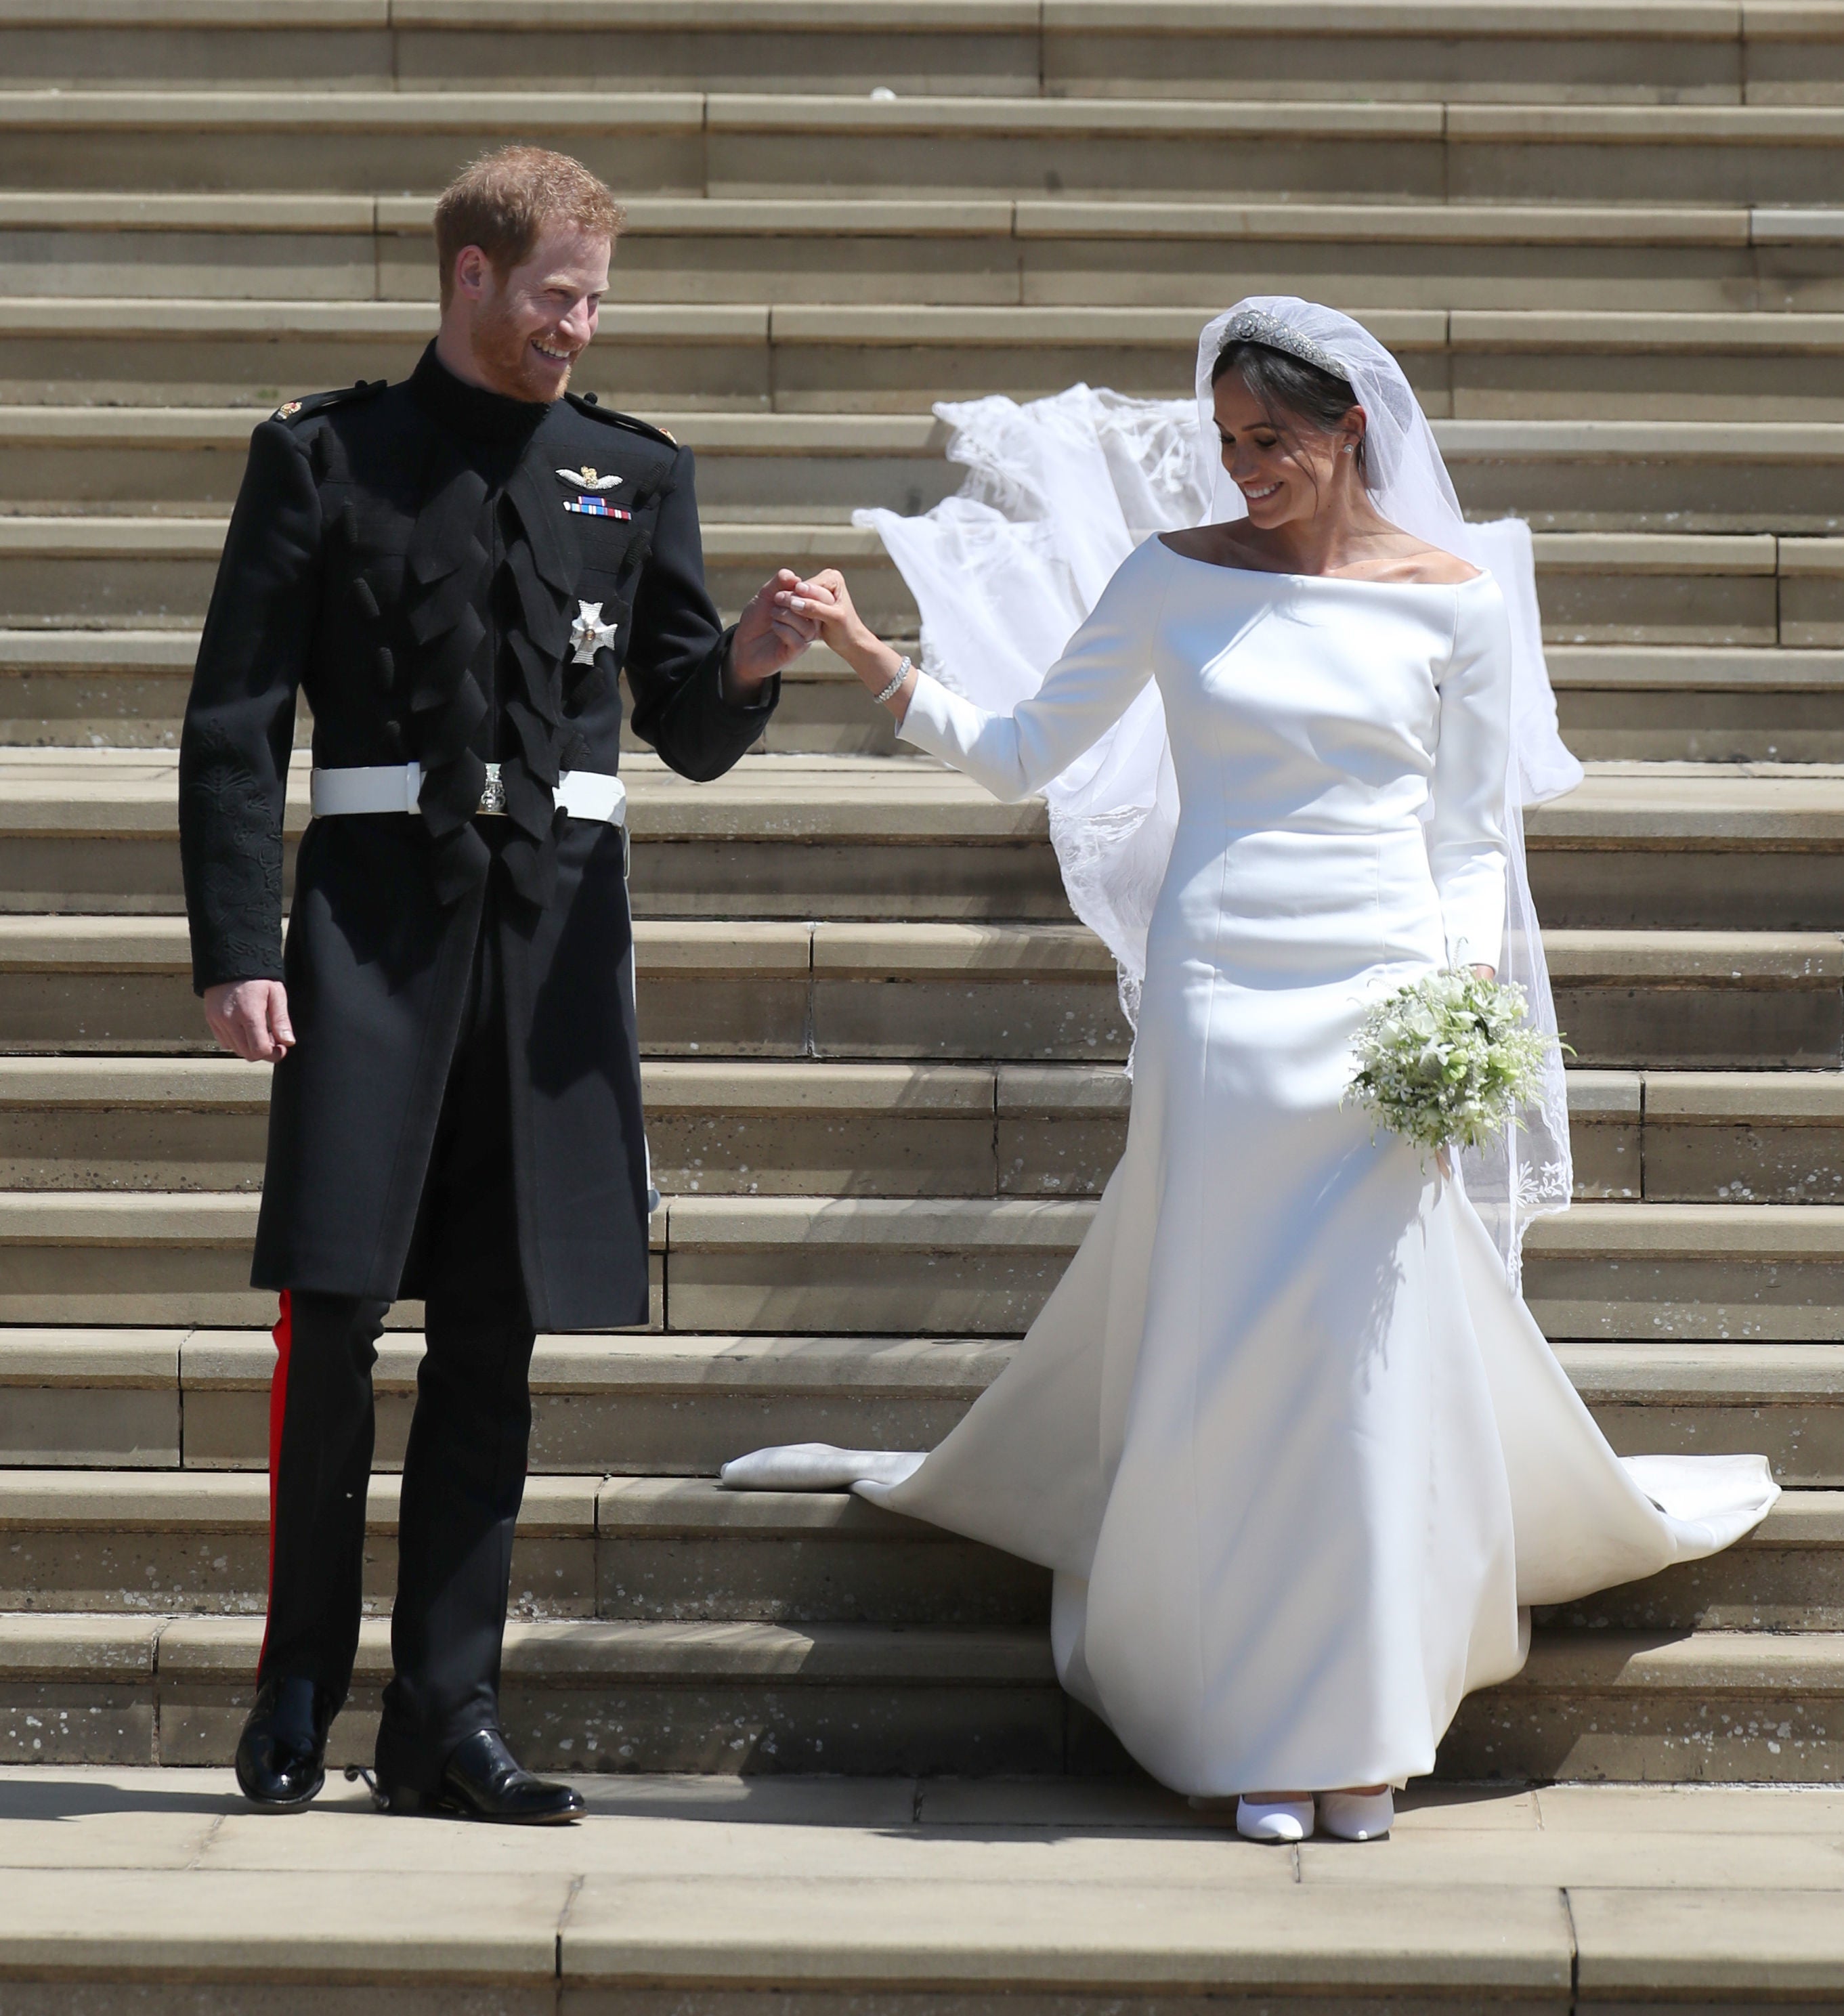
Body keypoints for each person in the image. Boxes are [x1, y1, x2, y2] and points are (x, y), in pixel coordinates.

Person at [719, 301, 1778, 1845]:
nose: (1240, 470)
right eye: (1223, 443)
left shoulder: (1460, 605)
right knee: (1235, 1365)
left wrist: (1465, 1013)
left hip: (1382, 1014)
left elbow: (1475, 839)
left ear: (1351, 431)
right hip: (1221, 998)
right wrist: (876, 657)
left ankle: (1360, 1722)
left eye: (1269, 441)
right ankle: (1243, 1723)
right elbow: (1026, 752)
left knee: (1363, 1373)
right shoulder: (1171, 582)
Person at [180, 145, 816, 1822]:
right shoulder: (325, 458)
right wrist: (242, 947)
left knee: (497, 1336)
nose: (578, 328)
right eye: (554, 296)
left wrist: (747, 659)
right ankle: (298, 1684)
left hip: (549, 959)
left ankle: (445, 1715)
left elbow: (680, 721)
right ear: (469, 276)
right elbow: (237, 725)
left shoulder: (630, 474)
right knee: (332, 1322)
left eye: (595, 299)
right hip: (368, 945)